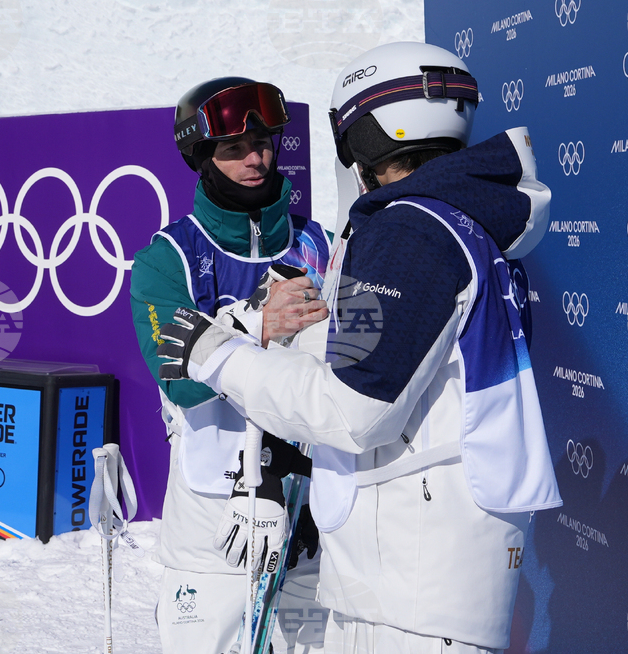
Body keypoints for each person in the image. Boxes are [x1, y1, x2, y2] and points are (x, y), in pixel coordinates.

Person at [156, 43, 563, 653]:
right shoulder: (465, 221)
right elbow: (370, 356)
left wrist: (220, 351)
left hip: (409, 588)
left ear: (367, 135)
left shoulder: (411, 233)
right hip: (423, 571)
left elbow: (353, 408)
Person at [130, 77, 332, 654]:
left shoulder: (318, 243)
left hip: (309, 513)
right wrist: (256, 323)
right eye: (233, 149)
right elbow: (178, 377)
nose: (255, 158)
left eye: (263, 142)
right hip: (211, 522)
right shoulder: (165, 258)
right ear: (202, 157)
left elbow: (356, 365)